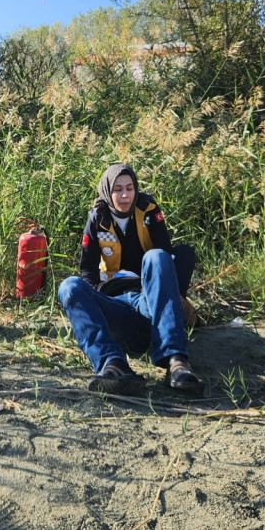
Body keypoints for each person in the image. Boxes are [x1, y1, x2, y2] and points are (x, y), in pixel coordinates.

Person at [58, 163, 203, 395]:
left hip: (147, 297)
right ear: (107, 191)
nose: (124, 195)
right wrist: (97, 300)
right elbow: (87, 269)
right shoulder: (98, 217)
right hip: (115, 302)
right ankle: (113, 365)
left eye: (129, 188)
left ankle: (175, 361)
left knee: (158, 257)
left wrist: (170, 296)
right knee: (69, 286)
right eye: (117, 189)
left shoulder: (148, 209)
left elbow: (165, 251)